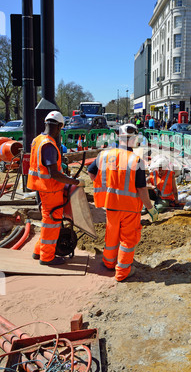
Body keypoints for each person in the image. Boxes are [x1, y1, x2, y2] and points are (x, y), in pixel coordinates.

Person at [87, 123, 158, 282]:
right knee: (128, 240)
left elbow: (91, 173)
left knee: (111, 236)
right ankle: (122, 272)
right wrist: (150, 208)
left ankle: (109, 262)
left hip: (110, 205)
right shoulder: (136, 160)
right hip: (130, 208)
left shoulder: (104, 155)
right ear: (134, 139)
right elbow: (141, 189)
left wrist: (105, 188)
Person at [27, 111, 85, 266]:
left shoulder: (37, 140)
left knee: (47, 220)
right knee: (52, 222)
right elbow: (53, 173)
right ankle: (47, 257)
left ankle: (39, 250)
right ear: (59, 126)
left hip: (42, 187)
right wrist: (73, 181)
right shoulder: (49, 144)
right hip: (51, 189)